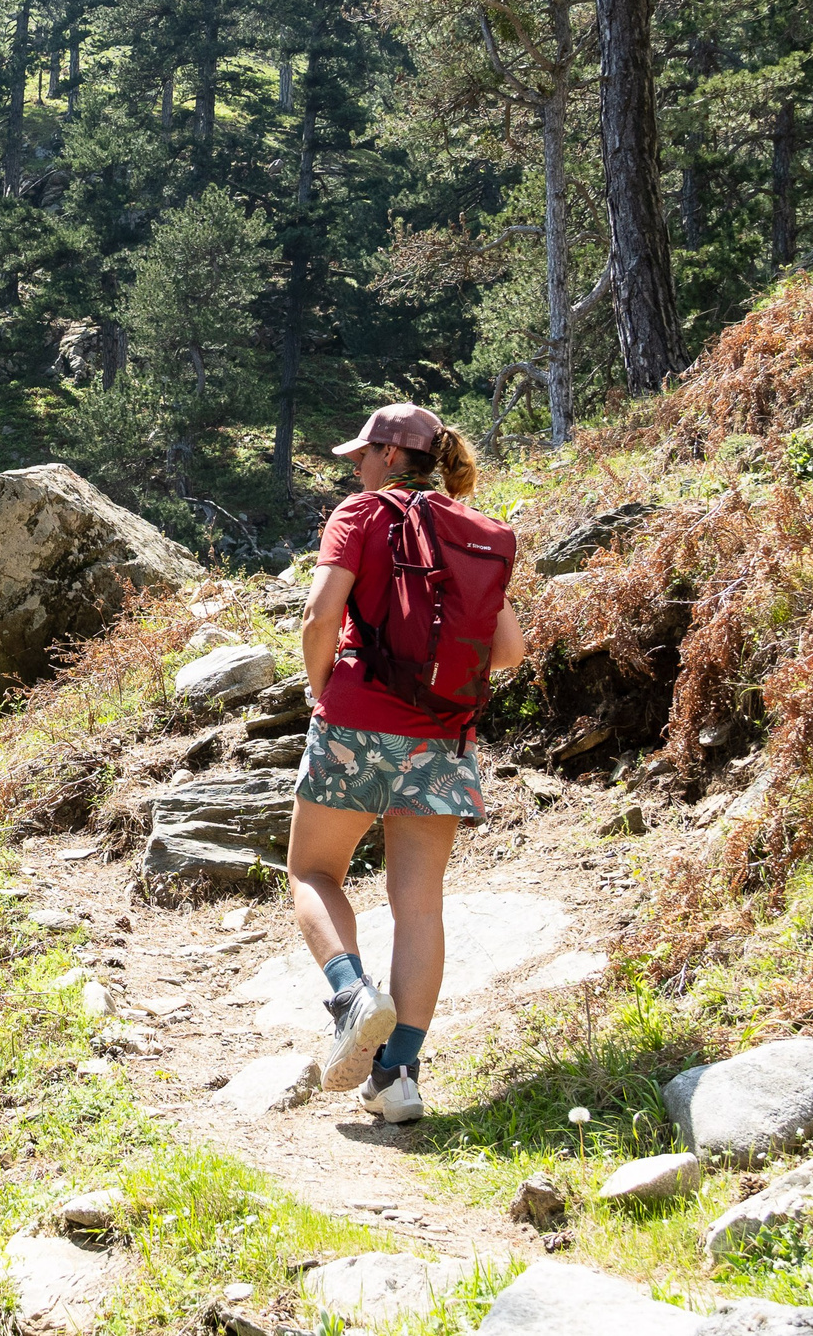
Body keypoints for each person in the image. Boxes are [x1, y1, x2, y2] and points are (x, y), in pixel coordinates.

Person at [289, 401, 524, 1124]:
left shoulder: (361, 516)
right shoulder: (475, 530)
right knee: (418, 904)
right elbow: (510, 650)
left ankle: (353, 997)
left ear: (392, 456)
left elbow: (319, 616)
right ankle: (398, 1078)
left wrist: (324, 687)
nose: (354, 468)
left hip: (358, 717)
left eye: (361, 455)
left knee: (312, 870)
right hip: (443, 735)